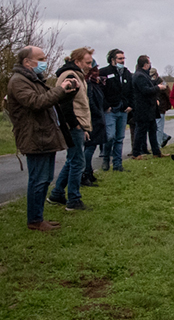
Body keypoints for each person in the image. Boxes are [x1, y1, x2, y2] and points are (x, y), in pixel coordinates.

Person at [6, 46, 77, 231]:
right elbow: (36, 103)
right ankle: (35, 220)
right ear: (27, 62)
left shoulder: (33, 80)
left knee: (45, 179)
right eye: (41, 58)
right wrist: (59, 89)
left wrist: (68, 91)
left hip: (45, 135)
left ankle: (38, 217)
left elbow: (50, 100)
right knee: (38, 180)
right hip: (34, 136)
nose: (45, 61)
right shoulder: (18, 81)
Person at [48, 47, 95, 211]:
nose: (90, 65)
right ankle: (73, 199)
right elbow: (65, 104)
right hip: (73, 126)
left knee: (72, 160)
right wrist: (76, 124)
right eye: (87, 62)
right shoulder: (71, 76)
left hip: (78, 125)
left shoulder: (77, 75)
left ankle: (57, 193)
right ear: (77, 62)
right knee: (78, 162)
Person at [98, 49, 133, 172]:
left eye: (123, 58)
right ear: (112, 59)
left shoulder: (127, 73)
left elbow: (131, 91)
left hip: (123, 110)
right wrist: (106, 106)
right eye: (119, 58)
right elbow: (100, 91)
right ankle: (106, 158)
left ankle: (117, 164)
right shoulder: (104, 72)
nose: (122, 61)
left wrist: (130, 105)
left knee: (120, 138)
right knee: (110, 136)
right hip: (110, 110)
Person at [131, 55, 168, 160]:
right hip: (143, 109)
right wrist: (158, 88)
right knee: (141, 131)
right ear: (146, 64)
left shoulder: (143, 75)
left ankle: (156, 151)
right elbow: (145, 90)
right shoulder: (139, 76)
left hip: (150, 109)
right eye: (149, 63)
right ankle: (136, 153)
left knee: (153, 130)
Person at [82, 62, 107, 188]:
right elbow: (90, 102)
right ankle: (85, 173)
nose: (96, 73)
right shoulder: (88, 84)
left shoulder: (93, 84)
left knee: (91, 147)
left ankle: (89, 172)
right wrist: (98, 114)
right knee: (90, 147)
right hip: (93, 119)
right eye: (94, 70)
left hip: (96, 118)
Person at [152, 67, 172, 149]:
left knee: (159, 127)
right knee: (154, 127)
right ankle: (164, 137)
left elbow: (168, 96)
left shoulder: (162, 83)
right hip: (153, 108)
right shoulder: (150, 82)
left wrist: (167, 106)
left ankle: (158, 145)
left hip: (161, 108)